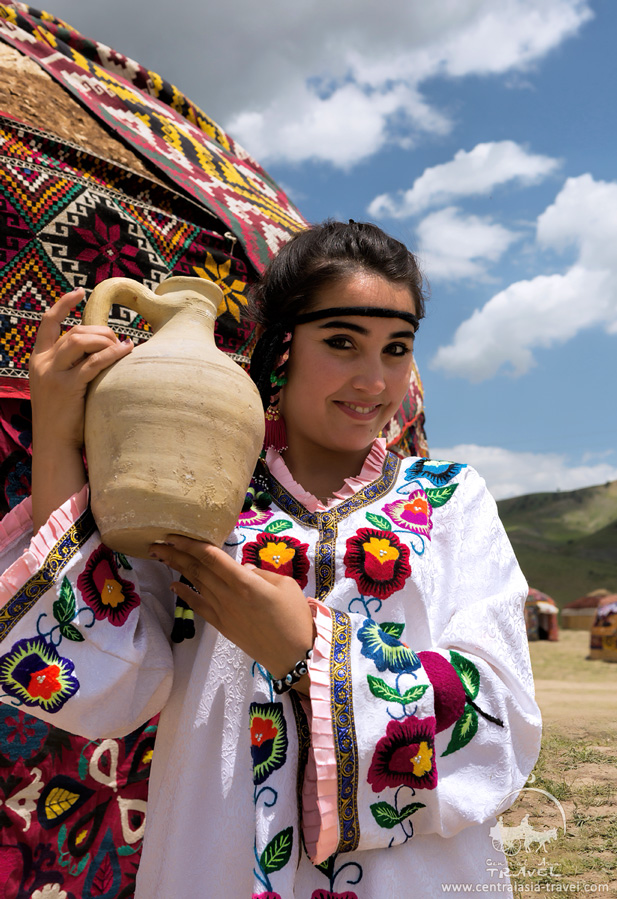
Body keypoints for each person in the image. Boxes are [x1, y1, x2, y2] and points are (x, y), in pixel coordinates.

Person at [0, 221, 541, 897]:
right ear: (283, 346)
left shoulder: (448, 500)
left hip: (410, 874)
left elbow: (500, 707)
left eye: (395, 349)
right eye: (342, 342)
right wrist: (56, 433)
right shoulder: (199, 491)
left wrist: (304, 647)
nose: (374, 379)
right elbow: (101, 675)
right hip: (211, 851)